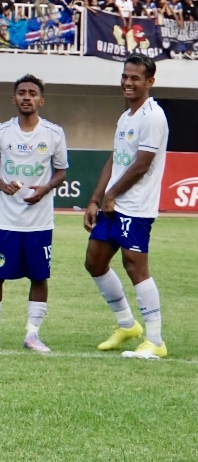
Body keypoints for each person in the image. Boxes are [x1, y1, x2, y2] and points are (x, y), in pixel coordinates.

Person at [84, 53, 169, 360]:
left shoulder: (153, 117)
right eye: (125, 76)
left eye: (135, 78)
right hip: (113, 204)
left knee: (135, 267)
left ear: (150, 82)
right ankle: (126, 324)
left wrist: (112, 195)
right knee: (94, 261)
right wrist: (96, 198)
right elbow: (116, 160)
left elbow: (141, 165)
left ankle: (156, 340)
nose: (128, 82)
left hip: (136, 206)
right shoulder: (127, 116)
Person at [0, 75, 69, 353]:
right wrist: (3, 186)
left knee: (39, 277)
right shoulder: (1, 131)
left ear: (41, 100)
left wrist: (44, 189)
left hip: (39, 222)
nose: (26, 97)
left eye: (32, 93)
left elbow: (62, 171)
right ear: (13, 98)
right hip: (5, 220)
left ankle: (32, 334)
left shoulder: (54, 133)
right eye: (21, 93)